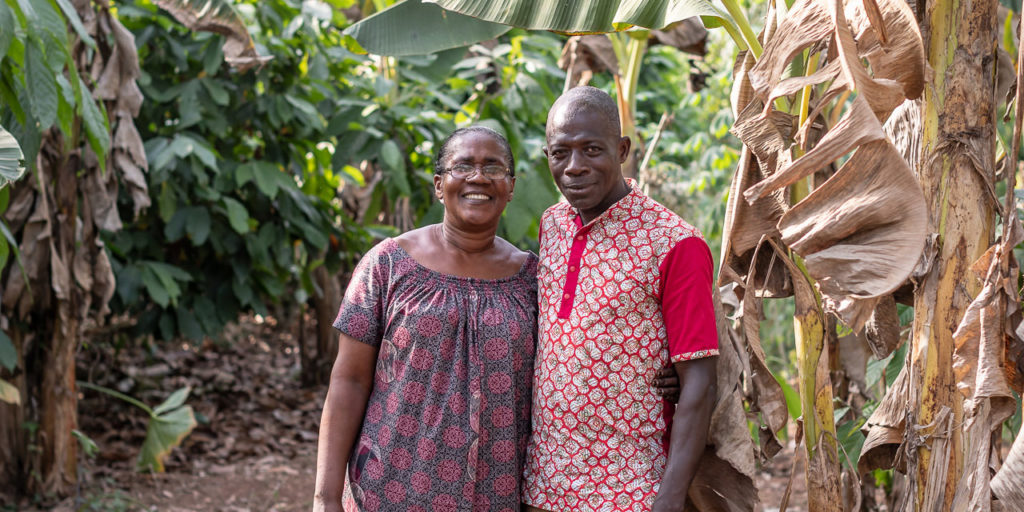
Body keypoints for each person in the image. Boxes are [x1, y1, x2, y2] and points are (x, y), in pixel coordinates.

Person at [313, 126, 538, 512]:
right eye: (462, 166)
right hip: (390, 493)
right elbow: (348, 381)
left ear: (511, 186)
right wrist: (325, 496)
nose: (479, 177)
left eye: (494, 168)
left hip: (496, 495)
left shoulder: (534, 279)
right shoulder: (387, 264)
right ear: (438, 184)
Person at [522, 86, 719, 512]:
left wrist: (668, 500)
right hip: (543, 484)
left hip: (630, 488)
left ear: (622, 149)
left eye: (592, 149)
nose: (575, 167)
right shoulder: (553, 224)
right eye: (561, 153)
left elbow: (700, 383)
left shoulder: (674, 243)